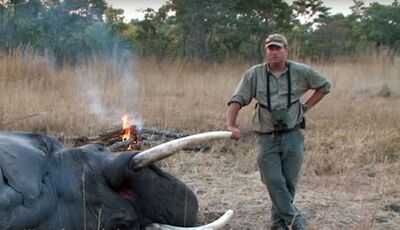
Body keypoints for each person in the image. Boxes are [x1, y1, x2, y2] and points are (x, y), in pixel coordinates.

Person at [226, 33, 331, 230]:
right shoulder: (254, 74)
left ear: (285, 50)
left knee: (289, 183)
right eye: (270, 48)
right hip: (267, 137)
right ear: (266, 51)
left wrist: (305, 107)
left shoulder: (300, 71)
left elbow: (325, 86)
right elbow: (237, 99)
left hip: (293, 135)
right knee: (273, 180)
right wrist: (231, 125)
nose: (273, 52)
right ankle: (294, 219)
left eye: (278, 48)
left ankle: (278, 225)